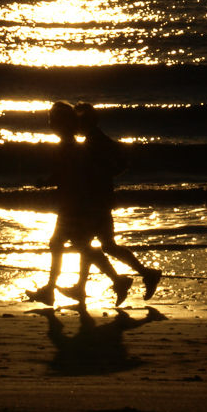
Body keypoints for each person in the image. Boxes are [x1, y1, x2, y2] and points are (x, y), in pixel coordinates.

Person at [26, 101, 129, 305]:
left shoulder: (66, 145)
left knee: (63, 244)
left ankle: (52, 289)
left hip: (72, 206)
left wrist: (45, 183)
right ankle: (116, 281)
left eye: (52, 120)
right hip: (75, 204)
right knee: (82, 247)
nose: (50, 124)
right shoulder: (73, 144)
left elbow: (65, 174)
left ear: (60, 123)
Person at [64, 102, 162, 305]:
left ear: (87, 121)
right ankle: (138, 276)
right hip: (99, 199)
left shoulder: (96, 142)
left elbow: (121, 164)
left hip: (97, 201)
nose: (75, 125)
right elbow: (123, 163)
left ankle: (127, 278)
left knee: (90, 244)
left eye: (78, 121)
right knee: (100, 245)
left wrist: (103, 177)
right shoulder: (96, 140)